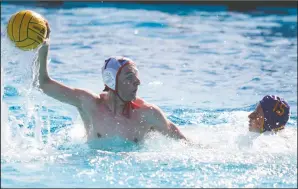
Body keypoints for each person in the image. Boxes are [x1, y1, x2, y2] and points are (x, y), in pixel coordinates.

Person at [35, 22, 186, 143]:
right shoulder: (89, 104)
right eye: (129, 77)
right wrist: (43, 49)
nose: (138, 82)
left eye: (136, 77)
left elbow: (183, 143)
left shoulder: (147, 114)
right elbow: (44, 84)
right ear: (111, 81)